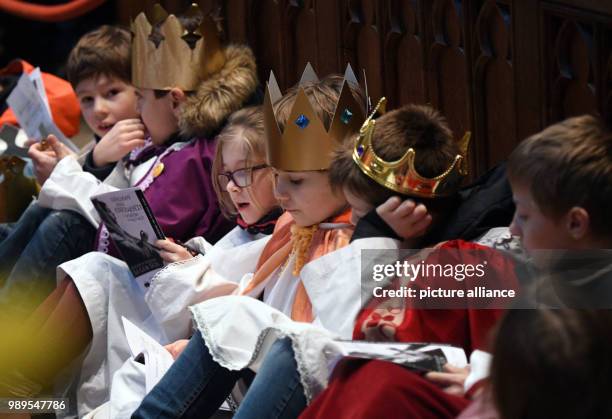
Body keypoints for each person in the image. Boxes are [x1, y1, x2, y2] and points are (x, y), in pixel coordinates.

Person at [301, 114, 612, 419]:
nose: (513, 229)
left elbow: (579, 385)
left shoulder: (470, 261)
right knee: (363, 376)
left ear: (575, 222)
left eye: (525, 217)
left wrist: (481, 377)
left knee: (382, 387)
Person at [130, 65, 367, 419]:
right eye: (278, 177)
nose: (281, 193)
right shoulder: (294, 226)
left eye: (297, 181)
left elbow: (326, 352)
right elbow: (250, 286)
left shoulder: (356, 245)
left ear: (346, 176)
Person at [0, 25, 139, 304]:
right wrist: (58, 169)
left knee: (61, 218)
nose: (98, 109)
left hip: (106, 254)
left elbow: (116, 213)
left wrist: (93, 161)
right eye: (87, 99)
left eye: (112, 92)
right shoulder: (99, 142)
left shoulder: (138, 137)